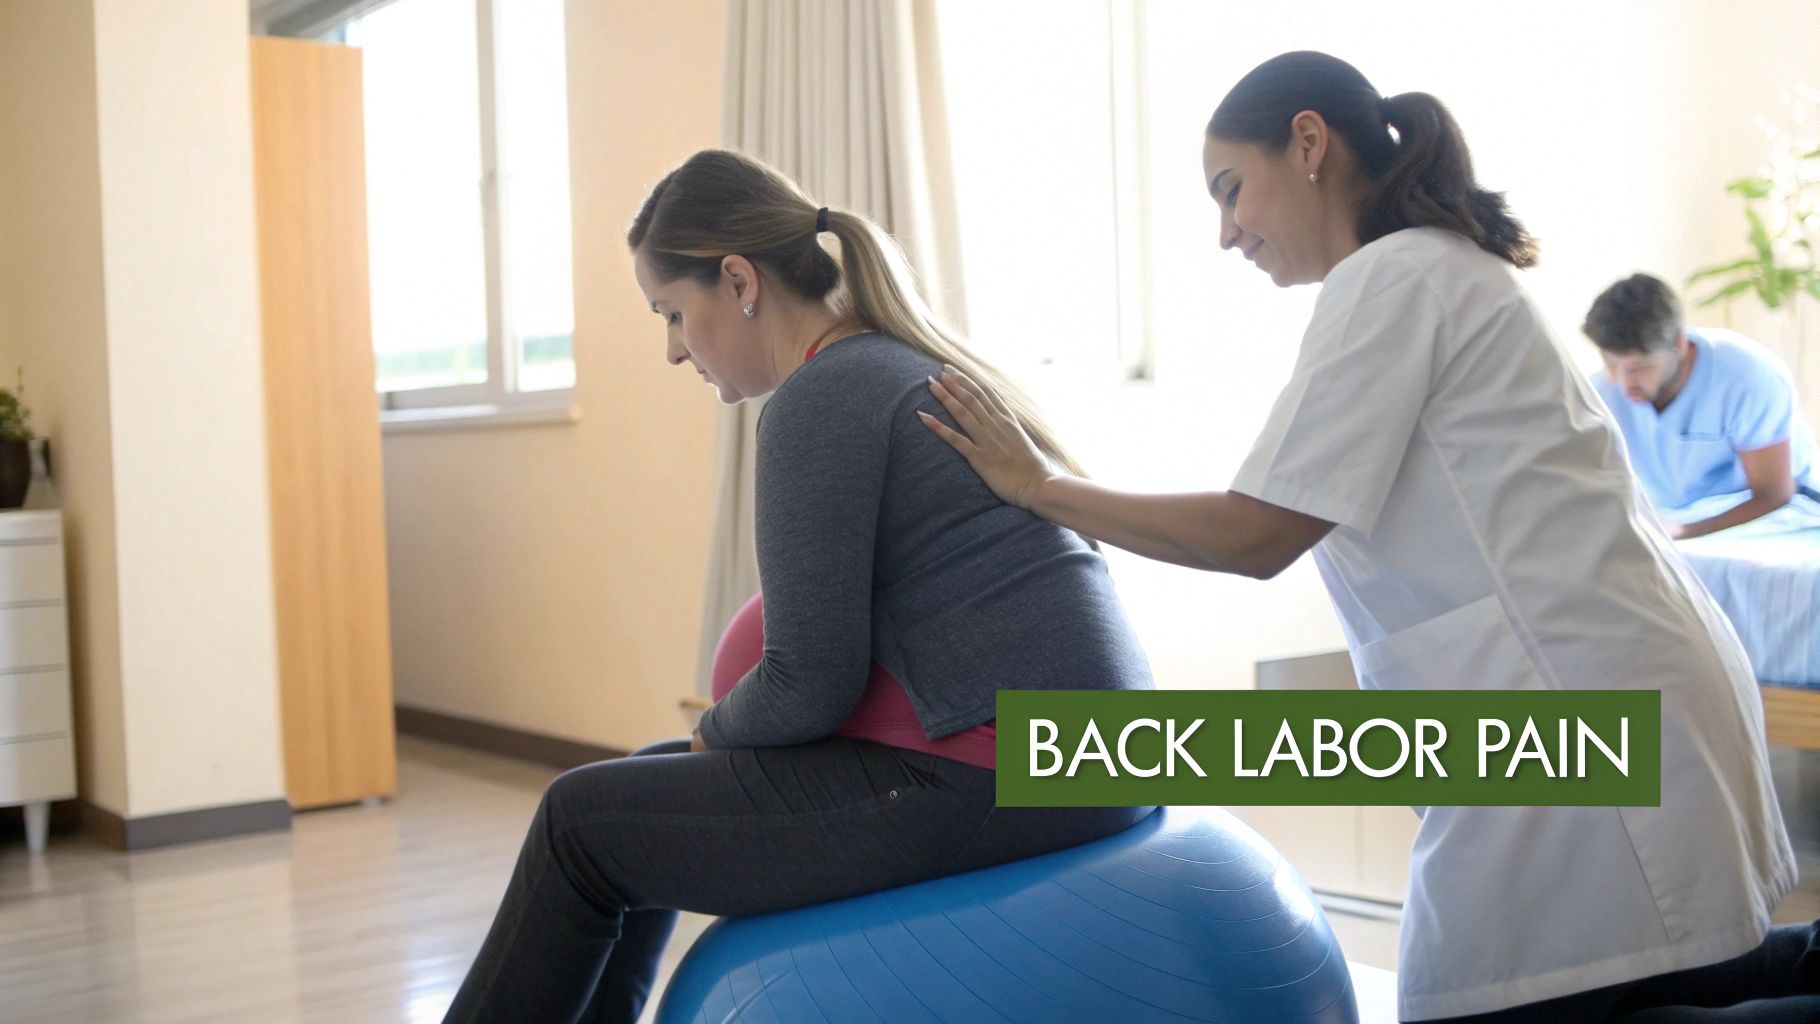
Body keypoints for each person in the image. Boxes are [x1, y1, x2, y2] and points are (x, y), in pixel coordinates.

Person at [920, 50, 1817, 1023]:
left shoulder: (1393, 279)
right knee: (1653, 976)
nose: (1224, 234)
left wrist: (1039, 485)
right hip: (1597, 685)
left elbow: (1254, 531)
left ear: (1307, 143)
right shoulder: (1426, 270)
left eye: (1230, 192)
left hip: (1575, 701)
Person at [440, 149, 1154, 1024]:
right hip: (1082, 762)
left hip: (1005, 778)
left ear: (737, 280)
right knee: (635, 786)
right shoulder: (891, 363)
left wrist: (714, 734)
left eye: (671, 312)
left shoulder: (826, 396)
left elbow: (810, 680)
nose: (671, 349)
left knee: (576, 822)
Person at [1583, 272, 1820, 538]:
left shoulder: (1746, 378)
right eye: (1612, 364)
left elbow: (1775, 494)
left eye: (1639, 367)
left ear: (1679, 344)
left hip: (1781, 515)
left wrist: (1681, 531)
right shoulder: (1601, 390)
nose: (1625, 383)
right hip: (1673, 521)